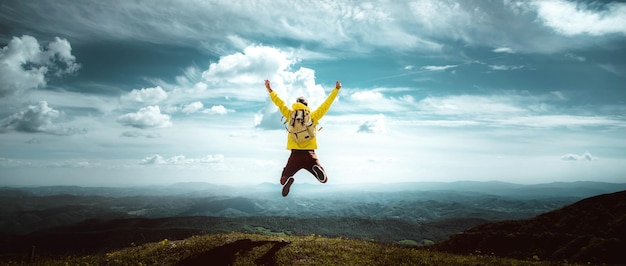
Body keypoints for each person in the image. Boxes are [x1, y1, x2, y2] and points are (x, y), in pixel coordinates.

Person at [264, 79, 341, 197]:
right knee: (324, 179)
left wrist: (270, 90)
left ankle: (287, 179)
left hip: (295, 154)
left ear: (296, 104)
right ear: (306, 106)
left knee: (283, 179)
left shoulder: (290, 115)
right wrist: (336, 90)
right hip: (310, 154)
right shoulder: (312, 116)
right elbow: (326, 105)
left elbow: (279, 103)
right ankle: (317, 168)